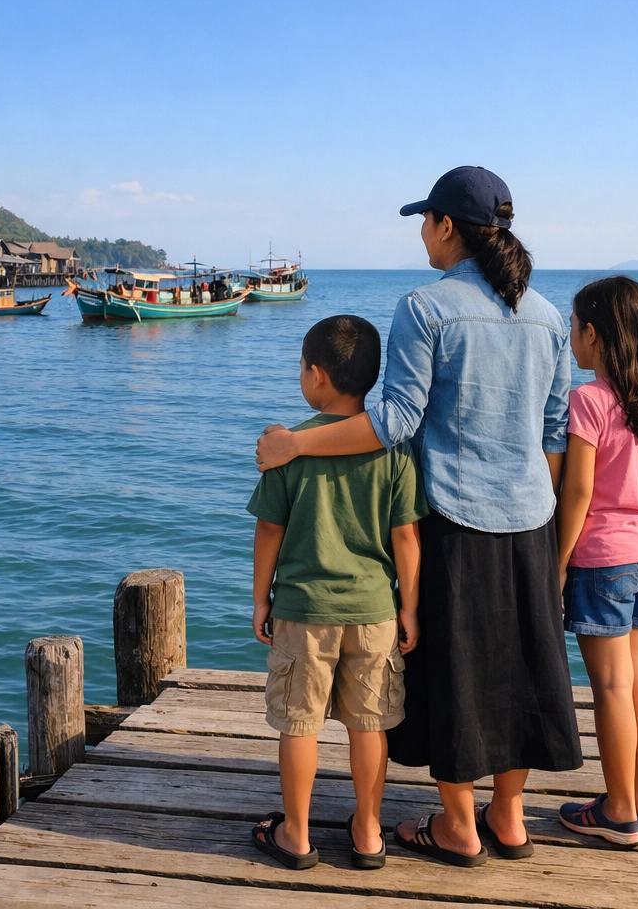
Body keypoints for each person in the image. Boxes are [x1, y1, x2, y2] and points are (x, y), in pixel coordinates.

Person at [257, 166, 582, 867]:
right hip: (531, 519)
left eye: (424, 221)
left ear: (446, 226)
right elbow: (554, 431)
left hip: (456, 520)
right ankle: (509, 817)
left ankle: (460, 827)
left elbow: (395, 422)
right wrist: (539, 509)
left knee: (458, 674)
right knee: (521, 670)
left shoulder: (425, 308)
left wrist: (296, 443)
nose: (421, 235)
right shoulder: (548, 316)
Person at [247, 314, 426, 871]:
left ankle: (296, 836)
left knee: (299, 724)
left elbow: (269, 530)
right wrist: (409, 607)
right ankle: (369, 831)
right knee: (369, 722)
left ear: (316, 376)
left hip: (302, 611)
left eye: (302, 368)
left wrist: (260, 599)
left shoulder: (287, 447)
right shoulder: (394, 450)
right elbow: (406, 536)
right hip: (374, 612)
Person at [555, 276, 638, 848]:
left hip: (604, 557)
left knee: (609, 686)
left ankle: (618, 811)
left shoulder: (588, 401)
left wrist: (558, 563)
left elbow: (578, 494)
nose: (571, 339)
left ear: (594, 333)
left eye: (574, 328)